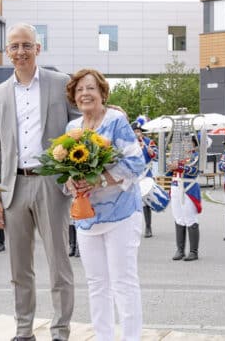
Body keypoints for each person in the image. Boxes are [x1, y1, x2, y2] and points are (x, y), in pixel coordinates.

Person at [0, 23, 79, 341]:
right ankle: (24, 331)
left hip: (51, 184)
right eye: (15, 46)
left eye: (27, 45)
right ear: (7, 52)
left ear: (38, 49)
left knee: (59, 264)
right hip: (13, 188)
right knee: (19, 269)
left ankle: (60, 332)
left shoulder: (59, 83)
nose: (21, 51)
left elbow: (80, 127)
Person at [64, 68, 145, 341]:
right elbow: (65, 171)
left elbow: (136, 163)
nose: (85, 93)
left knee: (123, 283)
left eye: (90, 88)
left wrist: (99, 181)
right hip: (87, 218)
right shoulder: (71, 130)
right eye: (79, 90)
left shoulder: (116, 122)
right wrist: (72, 184)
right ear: (74, 96)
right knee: (97, 284)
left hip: (120, 214)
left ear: (102, 93)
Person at [166, 135, 202, 261]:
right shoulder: (177, 155)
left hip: (188, 187)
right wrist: (169, 166)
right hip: (175, 186)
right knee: (178, 218)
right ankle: (180, 250)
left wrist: (179, 166)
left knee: (190, 218)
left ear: (194, 143)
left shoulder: (196, 155)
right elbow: (168, 172)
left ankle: (193, 251)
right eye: (184, 141)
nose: (185, 144)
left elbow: (195, 171)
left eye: (188, 141)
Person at [131, 118, 158, 238]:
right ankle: (133, 228)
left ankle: (148, 226)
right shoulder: (129, 143)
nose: (137, 133)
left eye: (139, 131)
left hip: (146, 173)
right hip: (134, 174)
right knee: (133, 202)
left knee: (146, 201)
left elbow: (155, 155)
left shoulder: (148, 141)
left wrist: (149, 149)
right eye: (135, 131)